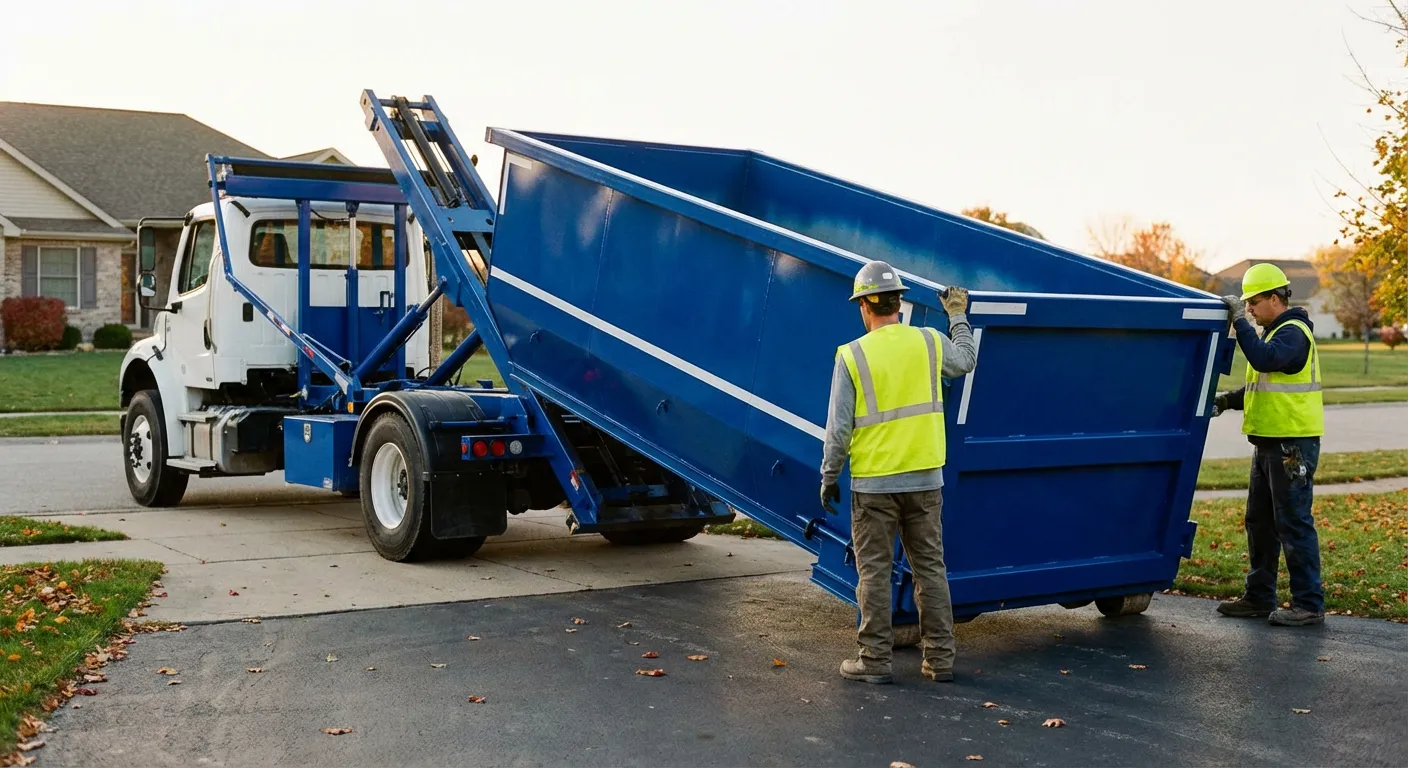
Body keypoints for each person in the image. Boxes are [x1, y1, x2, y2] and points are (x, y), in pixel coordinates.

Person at [819, 260, 978, 684]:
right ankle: (940, 661)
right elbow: (965, 360)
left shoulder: (852, 355)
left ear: (865, 306)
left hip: (874, 486)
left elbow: (838, 429)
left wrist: (828, 476)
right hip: (926, 480)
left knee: (873, 572)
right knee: (930, 569)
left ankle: (874, 662)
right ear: (899, 302)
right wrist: (958, 316)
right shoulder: (928, 342)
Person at [1211, 262, 1326, 627]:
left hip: (1291, 447)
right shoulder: (1277, 333)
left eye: (1253, 304)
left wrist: (1239, 326)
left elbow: (1265, 359)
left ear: (1275, 299)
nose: (1249, 311)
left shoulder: (1293, 334)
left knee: (1292, 523)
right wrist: (1225, 401)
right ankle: (1259, 597)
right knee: (1259, 522)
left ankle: (1309, 605)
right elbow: (1260, 386)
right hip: (1267, 445)